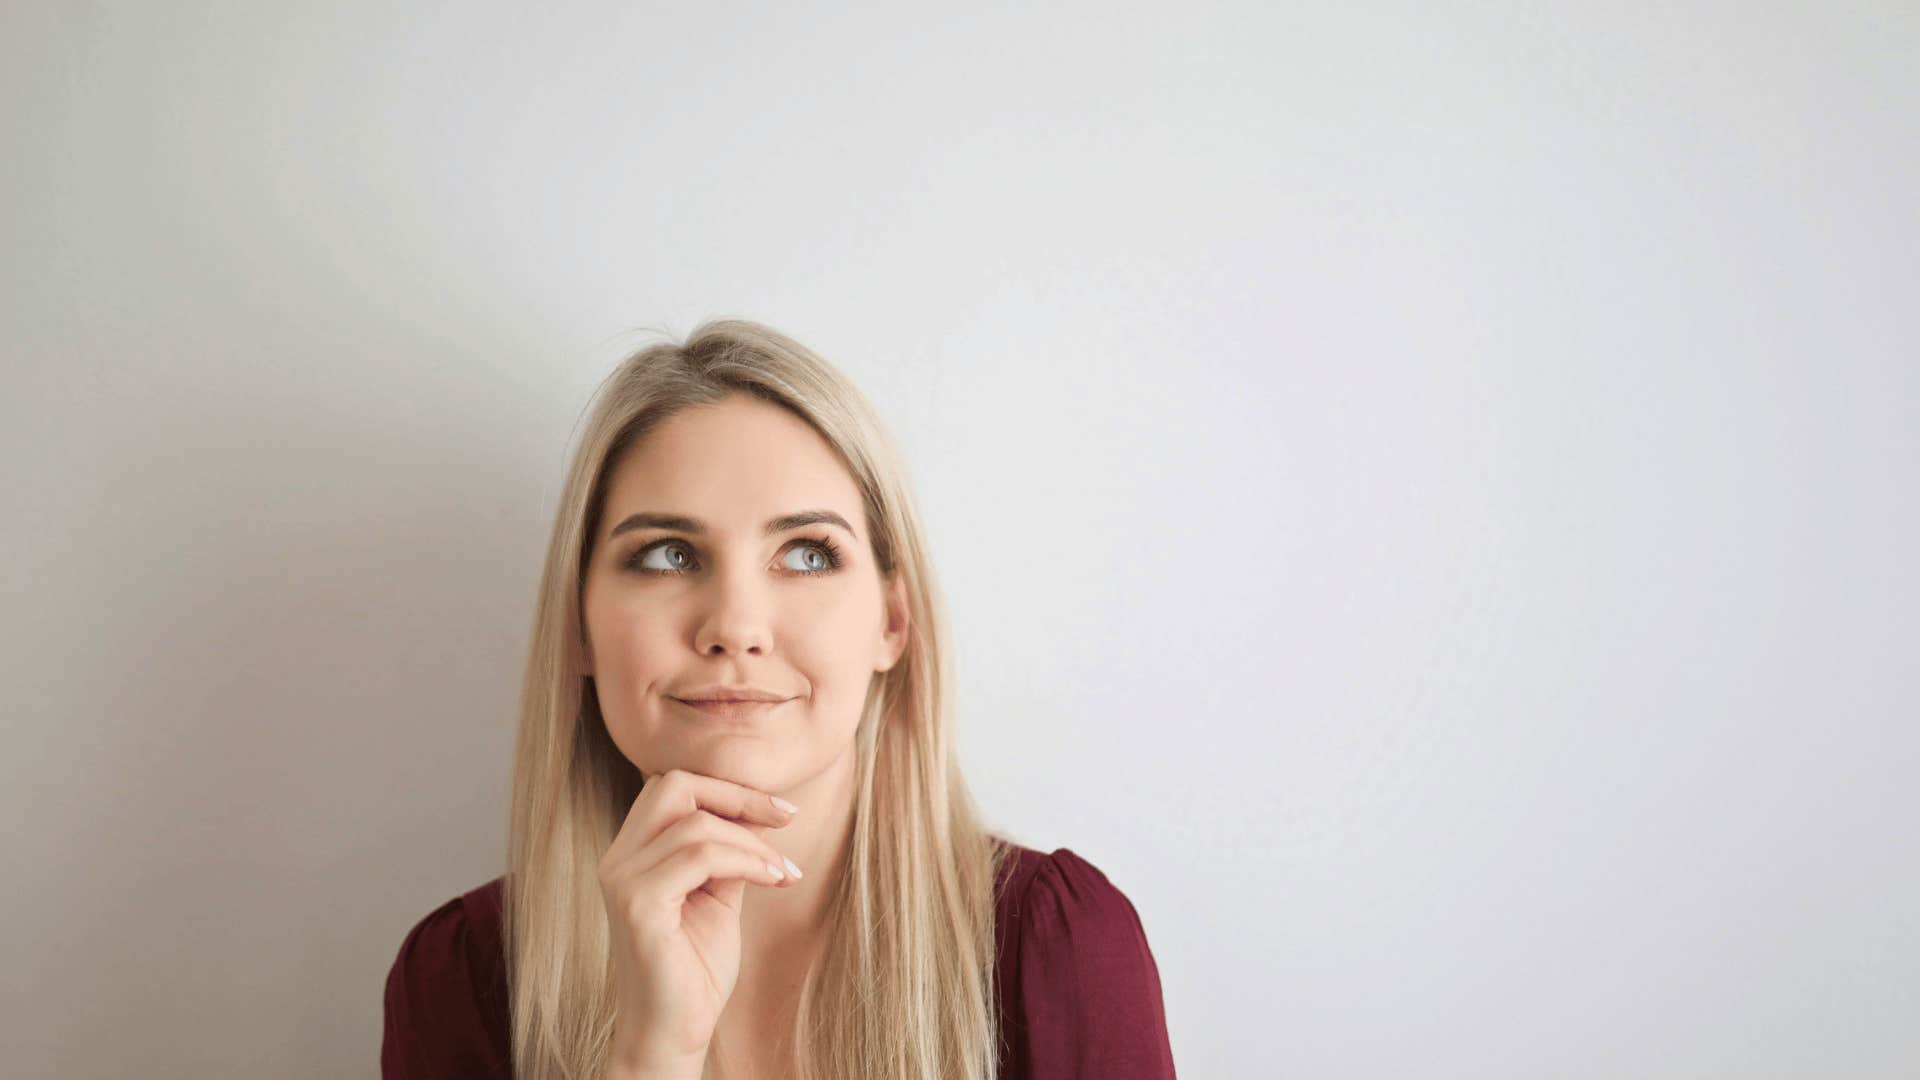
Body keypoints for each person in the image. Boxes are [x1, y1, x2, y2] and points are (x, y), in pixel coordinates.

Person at [380, 319, 1177, 1079]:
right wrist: (650, 1057)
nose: (734, 627)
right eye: (667, 554)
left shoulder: (1056, 948)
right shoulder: (461, 981)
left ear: (892, 624)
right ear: (579, 628)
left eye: (805, 553)